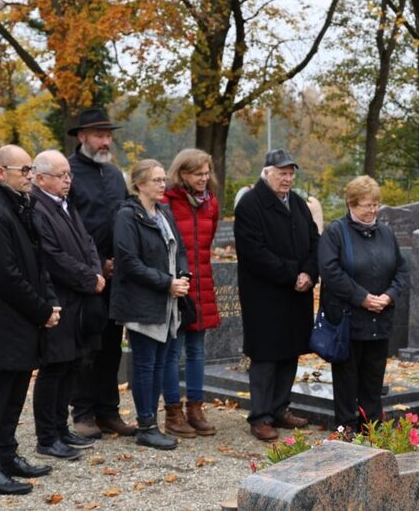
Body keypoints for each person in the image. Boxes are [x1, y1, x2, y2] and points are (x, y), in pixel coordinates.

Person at [0, 146, 60, 495]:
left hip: (25, 320)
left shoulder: (20, 208)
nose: (29, 175)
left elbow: (37, 265)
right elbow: (5, 276)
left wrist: (49, 303)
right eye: (23, 169)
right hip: (5, 321)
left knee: (15, 393)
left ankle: (7, 455)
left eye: (31, 169)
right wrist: (41, 310)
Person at [234, 149, 319, 442]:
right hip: (265, 295)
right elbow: (254, 252)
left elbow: (313, 240)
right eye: (282, 173)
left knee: (289, 353)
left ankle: (281, 407)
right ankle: (260, 416)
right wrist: (292, 274)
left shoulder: (296, 202)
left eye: (291, 173)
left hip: (297, 293)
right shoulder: (250, 204)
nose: (287, 179)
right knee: (266, 357)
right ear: (266, 172)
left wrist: (309, 272)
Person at [110, 159, 192, 450]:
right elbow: (128, 262)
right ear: (140, 184)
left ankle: (152, 422)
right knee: (145, 365)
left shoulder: (164, 213)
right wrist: (166, 282)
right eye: (157, 180)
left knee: (160, 363)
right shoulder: (127, 216)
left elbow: (179, 249)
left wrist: (183, 276)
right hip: (143, 301)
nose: (163, 185)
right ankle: (146, 425)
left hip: (168, 302)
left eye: (163, 179)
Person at [30, 150, 107, 457]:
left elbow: (87, 242)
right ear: (40, 178)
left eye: (69, 175)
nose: (67, 180)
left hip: (79, 302)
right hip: (59, 301)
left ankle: (61, 429)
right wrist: (89, 277)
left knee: (72, 365)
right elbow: (51, 256)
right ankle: (47, 437)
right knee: (54, 368)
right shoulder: (38, 208)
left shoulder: (64, 205)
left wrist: (96, 269)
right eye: (61, 175)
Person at [317, 176, 409, 432]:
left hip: (380, 317)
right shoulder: (336, 232)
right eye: (367, 205)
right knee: (347, 377)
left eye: (376, 204)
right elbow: (330, 271)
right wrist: (362, 298)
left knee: (373, 376)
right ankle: (347, 425)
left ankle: (371, 426)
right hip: (349, 319)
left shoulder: (386, 233)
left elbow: (401, 269)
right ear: (351, 204)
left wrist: (389, 295)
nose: (373, 210)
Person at [66, 108, 137, 438]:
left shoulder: (113, 175)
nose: (105, 141)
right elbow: (69, 226)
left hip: (117, 274)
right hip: (84, 275)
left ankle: (109, 411)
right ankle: (83, 412)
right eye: (98, 135)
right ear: (82, 136)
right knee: (87, 345)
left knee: (112, 345)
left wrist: (119, 260)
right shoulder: (68, 173)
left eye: (108, 135)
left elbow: (123, 217)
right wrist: (97, 264)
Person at [161, 149, 221, 438]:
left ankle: (196, 408)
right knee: (173, 351)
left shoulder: (210, 204)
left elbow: (207, 243)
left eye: (207, 172)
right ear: (182, 174)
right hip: (177, 286)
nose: (204, 178)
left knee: (198, 351)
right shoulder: (166, 203)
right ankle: (173, 412)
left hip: (202, 285)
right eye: (198, 173)